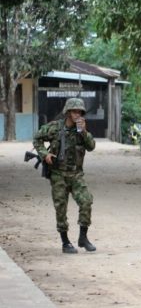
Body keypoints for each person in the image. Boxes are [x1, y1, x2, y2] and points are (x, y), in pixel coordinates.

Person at [33, 98, 96, 254]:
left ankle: (83, 237)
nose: (77, 114)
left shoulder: (81, 131)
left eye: (80, 112)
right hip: (58, 174)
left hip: (76, 174)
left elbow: (91, 147)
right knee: (61, 207)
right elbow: (37, 138)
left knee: (86, 201)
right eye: (75, 111)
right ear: (68, 112)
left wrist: (85, 132)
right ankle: (65, 241)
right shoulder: (55, 128)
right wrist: (44, 154)